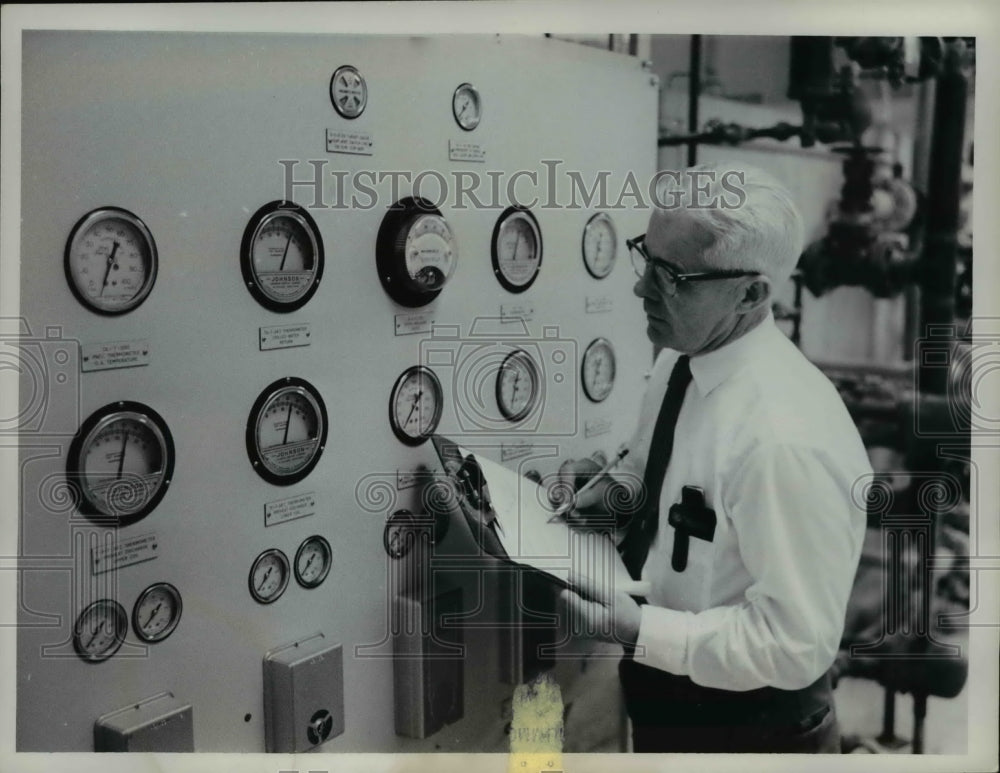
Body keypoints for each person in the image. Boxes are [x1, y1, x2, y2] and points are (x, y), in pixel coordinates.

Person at [554, 162, 872, 753]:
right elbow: (665, 475)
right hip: (670, 704)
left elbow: (795, 643)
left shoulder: (783, 438)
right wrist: (615, 490)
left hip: (754, 731)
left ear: (751, 293)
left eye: (672, 275)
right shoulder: (685, 357)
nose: (641, 287)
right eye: (645, 257)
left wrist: (641, 629)